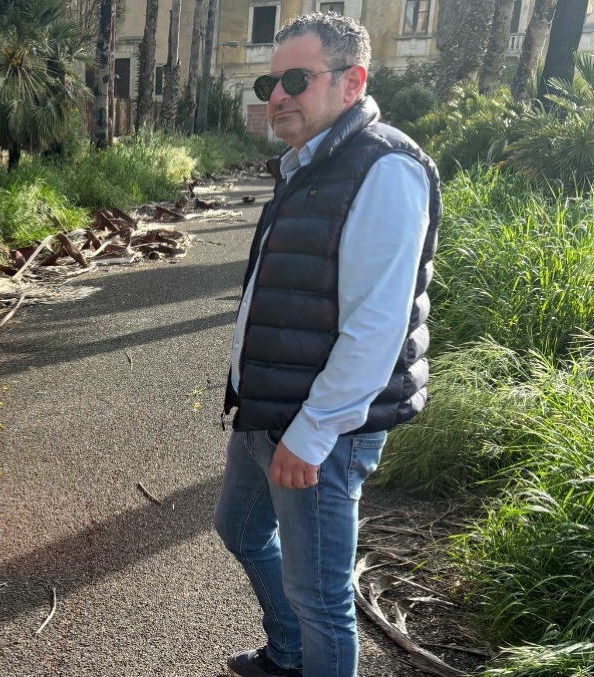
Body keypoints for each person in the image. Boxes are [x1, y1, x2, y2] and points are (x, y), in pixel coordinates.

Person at [214, 14, 440, 677]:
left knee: (321, 596)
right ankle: (289, 656)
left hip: (323, 430)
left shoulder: (384, 168)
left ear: (353, 81)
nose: (278, 96)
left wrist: (313, 434)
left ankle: (306, 654)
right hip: (269, 409)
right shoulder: (310, 164)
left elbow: (377, 326)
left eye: (296, 79)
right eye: (270, 84)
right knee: (241, 529)